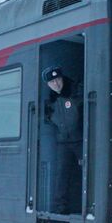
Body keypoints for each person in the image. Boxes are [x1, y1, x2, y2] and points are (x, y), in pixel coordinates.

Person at [42, 65, 83, 214]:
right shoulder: (51, 101)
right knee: (62, 173)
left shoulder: (76, 92)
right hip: (63, 143)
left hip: (80, 140)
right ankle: (61, 206)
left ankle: (90, 202)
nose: (56, 84)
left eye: (58, 79)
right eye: (52, 82)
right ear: (48, 84)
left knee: (86, 170)